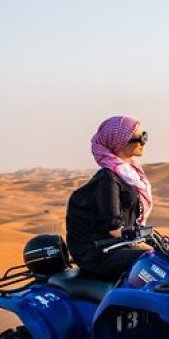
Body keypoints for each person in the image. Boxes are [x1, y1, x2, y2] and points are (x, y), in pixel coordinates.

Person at [65, 115, 153, 281]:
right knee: (153, 262)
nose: (144, 142)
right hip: (98, 253)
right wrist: (141, 243)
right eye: (140, 138)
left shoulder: (129, 174)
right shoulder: (108, 178)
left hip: (119, 246)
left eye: (146, 136)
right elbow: (113, 227)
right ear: (121, 141)